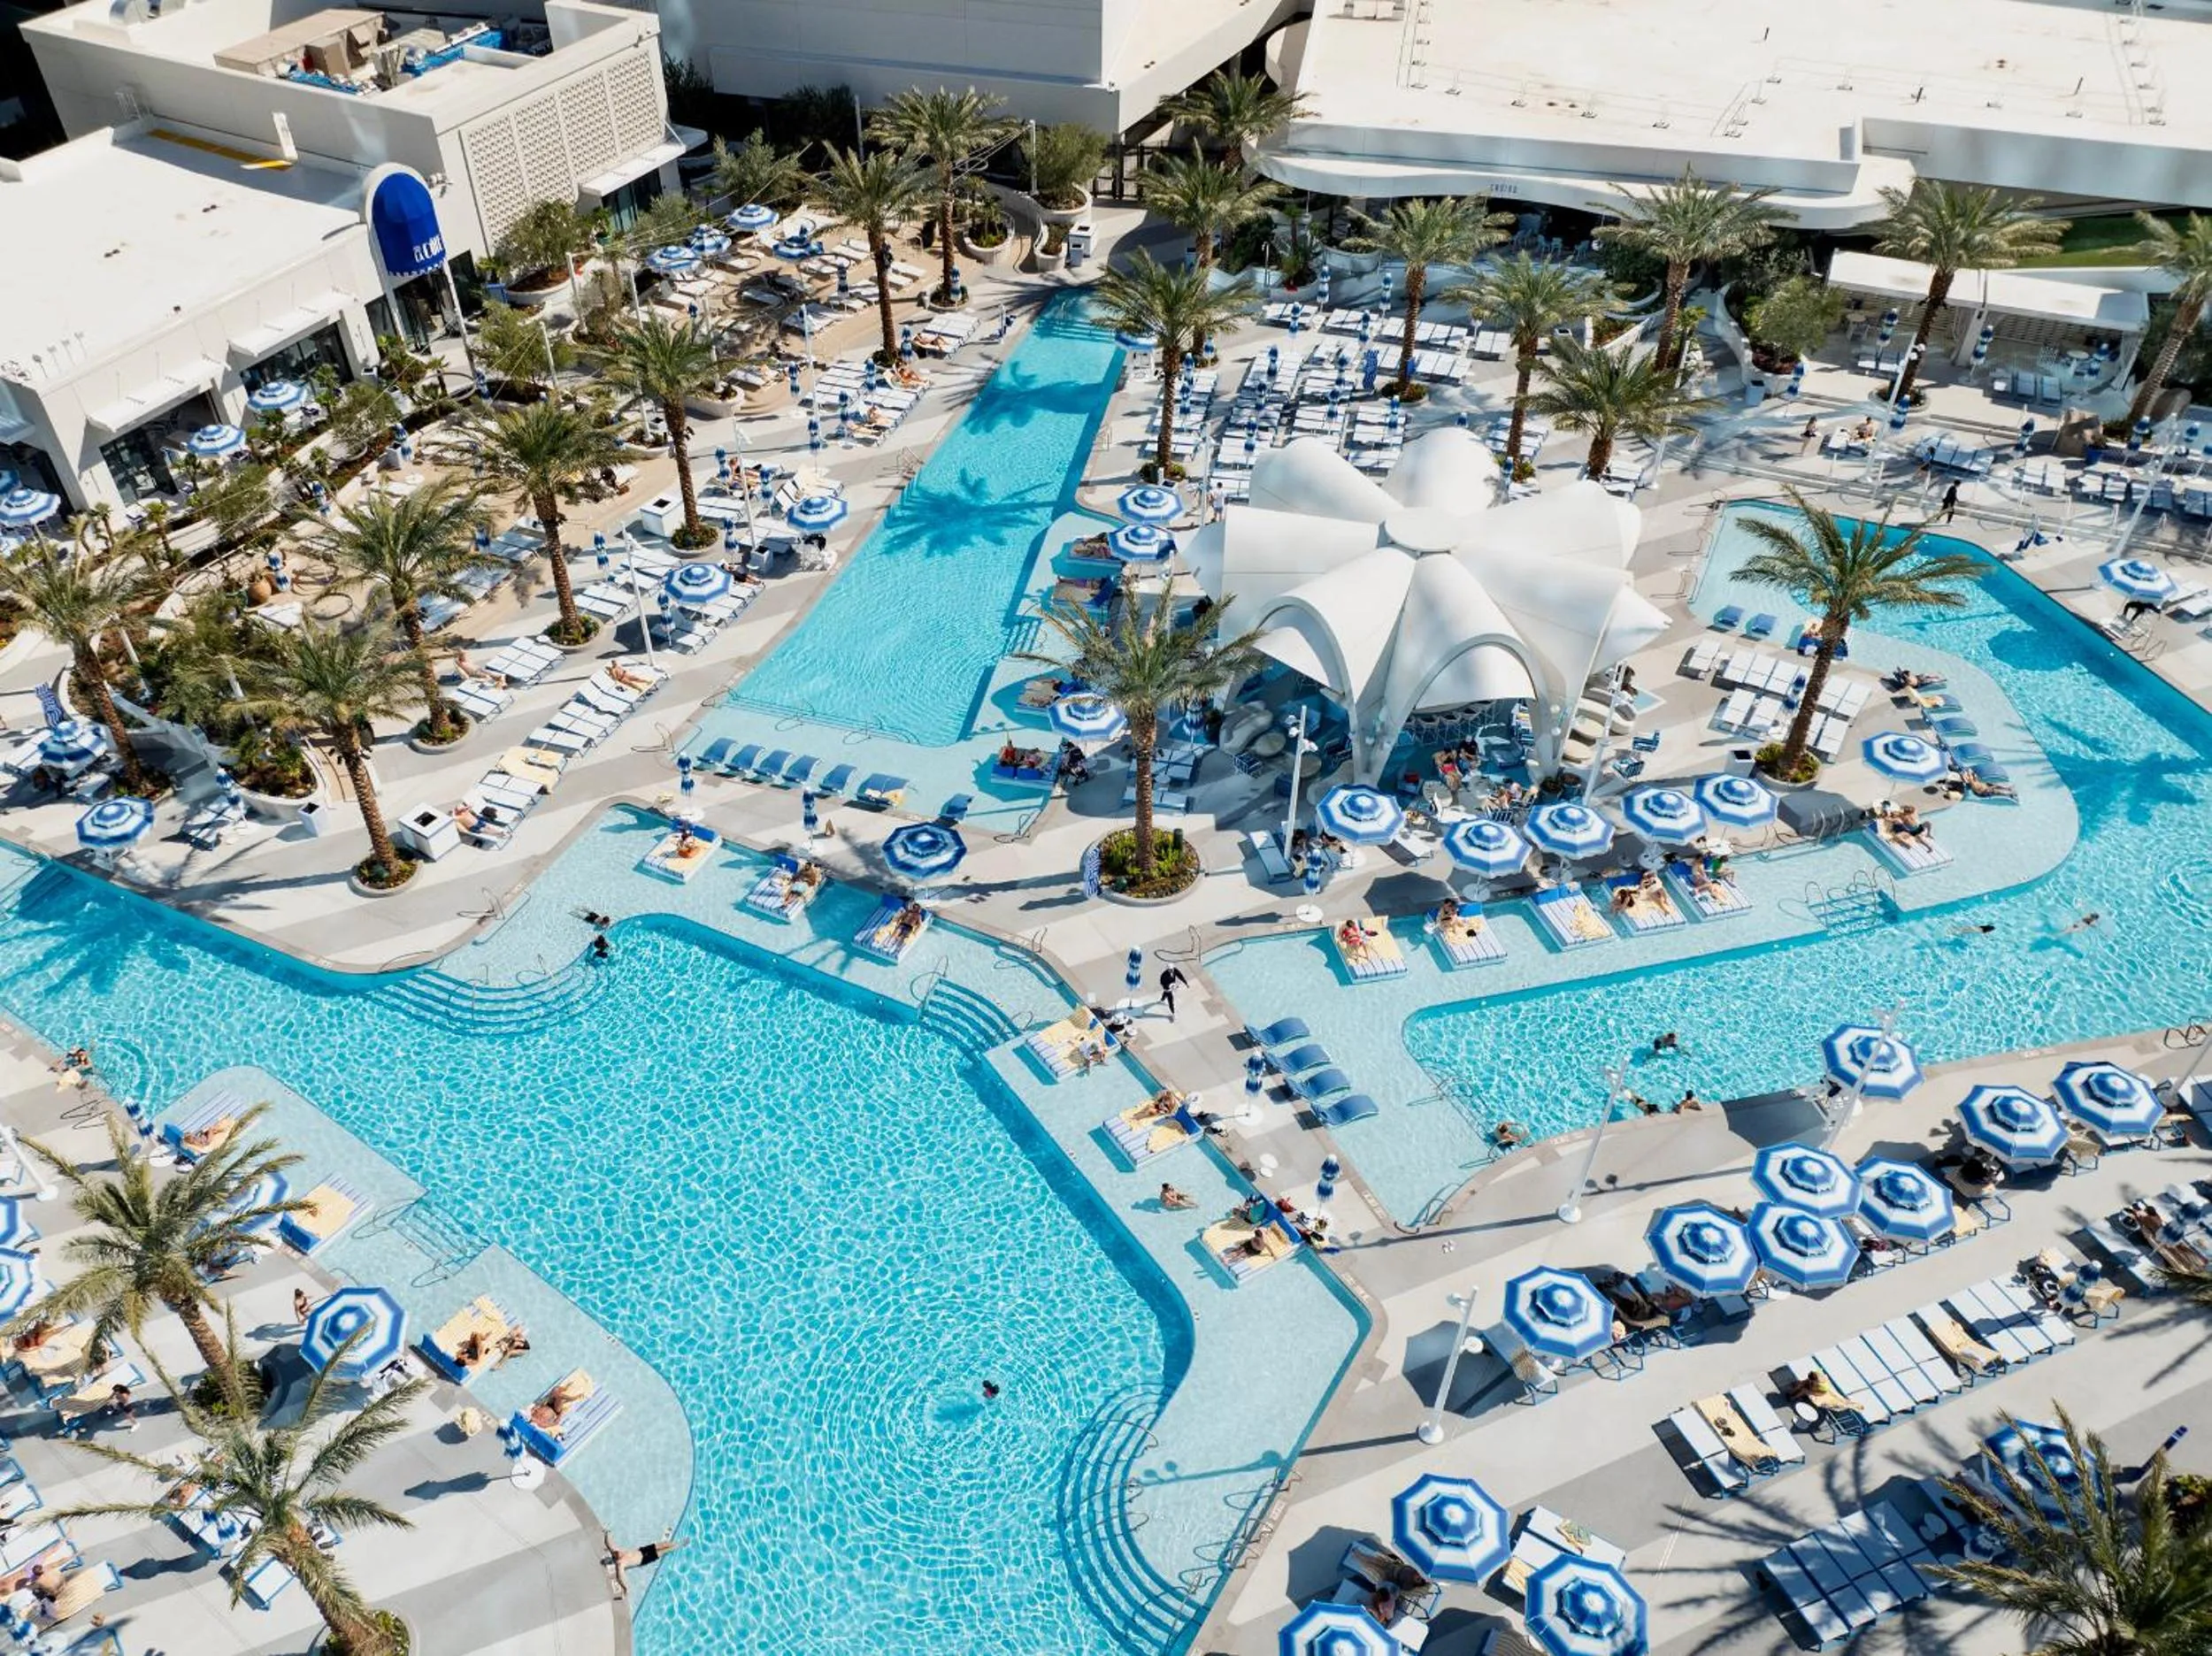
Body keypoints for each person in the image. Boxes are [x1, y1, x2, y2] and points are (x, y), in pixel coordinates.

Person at [604, 1531, 686, 1600]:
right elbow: (620, 1578)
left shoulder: (616, 1552)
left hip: (642, 1550)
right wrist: (625, 1589)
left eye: (618, 1552)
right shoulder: (620, 1564)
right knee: (664, 1551)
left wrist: (607, 1534)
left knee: (662, 1545)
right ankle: (680, 1545)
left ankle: (677, 1542)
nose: (620, 1552)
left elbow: (609, 1544)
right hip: (645, 1559)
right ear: (616, 1559)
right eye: (619, 1554)